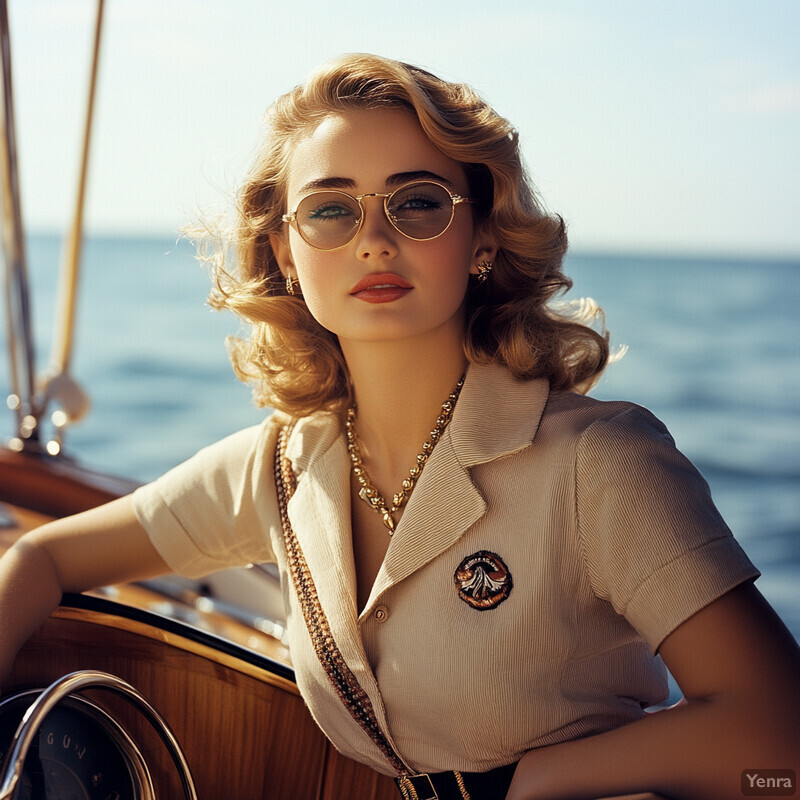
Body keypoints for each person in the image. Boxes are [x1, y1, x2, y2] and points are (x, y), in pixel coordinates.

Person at [1, 53, 798, 800]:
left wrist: (516, 785)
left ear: (482, 235)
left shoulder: (601, 462)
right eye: (331, 210)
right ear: (283, 249)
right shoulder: (280, 468)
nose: (374, 240)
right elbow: (42, 555)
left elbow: (779, 753)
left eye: (418, 202)